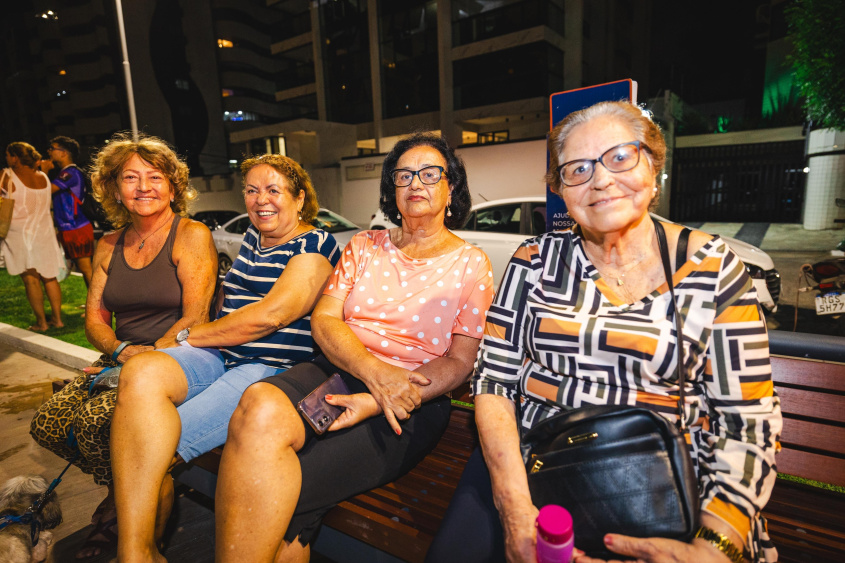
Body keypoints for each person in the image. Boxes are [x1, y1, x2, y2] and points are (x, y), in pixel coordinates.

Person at [426, 101, 783, 563]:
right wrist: (515, 508)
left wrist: (716, 542)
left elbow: (749, 421)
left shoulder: (712, 268)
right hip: (537, 468)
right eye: (577, 168)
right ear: (560, 190)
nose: (600, 179)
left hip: (668, 483)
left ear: (653, 167)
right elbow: (494, 382)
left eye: (619, 157)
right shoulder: (533, 262)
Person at [213, 133, 495, 563]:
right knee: (258, 404)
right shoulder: (365, 245)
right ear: (391, 189)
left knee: (274, 484)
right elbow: (325, 319)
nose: (415, 182)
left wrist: (384, 393)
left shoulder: (471, 263)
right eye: (403, 175)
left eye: (429, 173)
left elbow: (460, 361)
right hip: (338, 368)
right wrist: (372, 372)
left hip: (411, 399)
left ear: (450, 187)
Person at [110, 153, 342, 563]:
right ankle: (135, 552)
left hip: (268, 370)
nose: (260, 200)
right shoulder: (254, 237)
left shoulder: (316, 245)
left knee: (151, 443)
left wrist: (186, 335)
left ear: (300, 198)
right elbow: (227, 305)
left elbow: (271, 315)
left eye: (273, 190)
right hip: (222, 356)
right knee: (141, 370)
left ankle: (142, 552)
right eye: (251, 191)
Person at [29, 132, 217, 560]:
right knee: (49, 420)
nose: (144, 187)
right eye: (130, 178)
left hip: (178, 357)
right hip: (123, 354)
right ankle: (123, 497)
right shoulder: (109, 244)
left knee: (105, 426)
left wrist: (136, 363)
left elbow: (196, 318)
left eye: (154, 176)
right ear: (114, 188)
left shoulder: (191, 234)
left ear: (173, 185)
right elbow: (93, 317)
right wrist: (117, 353)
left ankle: (139, 533)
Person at [1, 142, 65, 332]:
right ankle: (58, 319)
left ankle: (42, 323)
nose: (6, 158)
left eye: (8, 154)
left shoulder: (7, 175)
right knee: (49, 277)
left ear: (15, 157)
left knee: (30, 278)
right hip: (44, 232)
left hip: (19, 234)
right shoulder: (44, 178)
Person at [46, 135, 95, 287]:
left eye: (52, 149)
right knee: (83, 268)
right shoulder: (64, 173)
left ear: (63, 152)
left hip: (76, 227)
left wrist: (43, 171)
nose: (49, 152)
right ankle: (92, 304)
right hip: (69, 227)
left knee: (86, 268)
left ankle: (98, 306)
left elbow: (46, 190)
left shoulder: (70, 173)